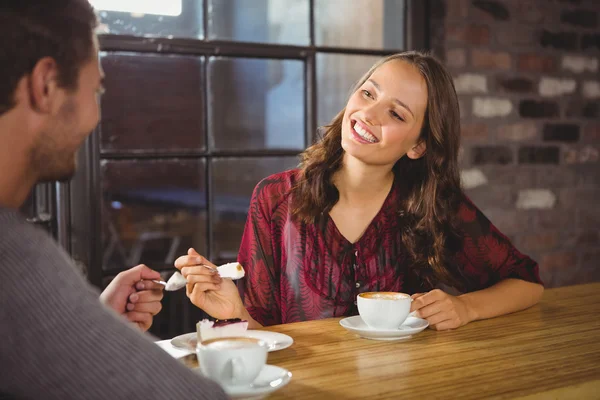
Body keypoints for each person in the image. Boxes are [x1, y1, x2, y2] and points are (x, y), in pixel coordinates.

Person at [175, 51, 544, 331]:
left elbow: (527, 284)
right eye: (368, 93)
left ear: (418, 146)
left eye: (397, 114)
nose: (369, 114)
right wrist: (234, 312)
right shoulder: (275, 199)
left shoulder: (435, 206)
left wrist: (465, 308)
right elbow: (263, 335)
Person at [0, 1, 228, 399]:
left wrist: (94, 325)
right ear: (47, 85)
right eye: (96, 90)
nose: (96, 115)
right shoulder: (13, 259)